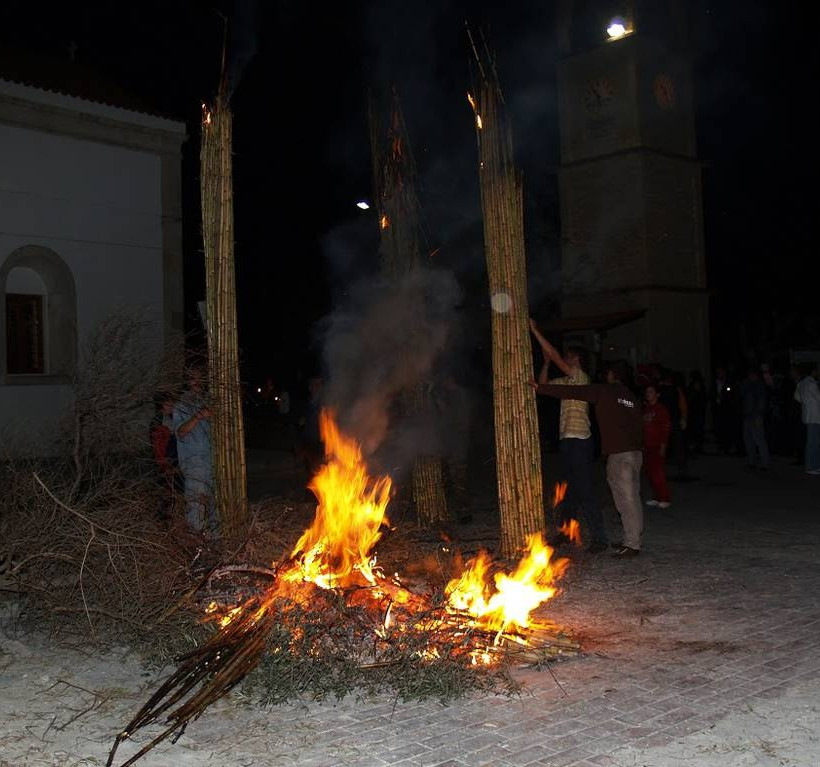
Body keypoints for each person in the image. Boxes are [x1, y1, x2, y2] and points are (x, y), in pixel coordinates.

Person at [534, 359, 644, 558]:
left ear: (612, 375)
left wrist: (540, 387)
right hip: (633, 453)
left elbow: (574, 392)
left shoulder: (606, 391)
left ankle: (633, 544)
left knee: (625, 500)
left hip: (620, 455)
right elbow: (639, 424)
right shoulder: (631, 397)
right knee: (629, 498)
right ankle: (632, 538)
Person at [530, 321, 608, 553]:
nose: (566, 360)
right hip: (567, 440)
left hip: (580, 441)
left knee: (584, 489)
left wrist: (535, 330)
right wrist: (545, 363)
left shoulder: (581, 377)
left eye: (569, 358)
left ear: (577, 361)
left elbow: (555, 356)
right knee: (568, 489)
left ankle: (600, 539)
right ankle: (566, 533)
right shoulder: (567, 382)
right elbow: (542, 386)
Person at [172, 367, 218, 535]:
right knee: (196, 510)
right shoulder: (182, 405)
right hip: (195, 465)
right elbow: (180, 431)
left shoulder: (210, 400)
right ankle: (195, 551)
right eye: (192, 377)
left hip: (214, 462)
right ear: (187, 381)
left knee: (215, 511)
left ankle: (215, 550)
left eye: (200, 377)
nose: (196, 381)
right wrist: (199, 416)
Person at [149, 391, 183, 522]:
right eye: (169, 403)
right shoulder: (160, 422)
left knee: (171, 495)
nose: (172, 405)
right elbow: (159, 449)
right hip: (166, 465)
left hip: (171, 464)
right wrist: (165, 465)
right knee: (167, 496)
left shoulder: (171, 418)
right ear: (162, 405)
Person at [643, 384, 672, 508]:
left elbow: (666, 428)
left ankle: (664, 497)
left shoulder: (661, 409)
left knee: (658, 472)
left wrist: (663, 445)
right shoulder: (646, 408)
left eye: (651, 391)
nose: (648, 394)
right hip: (647, 444)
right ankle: (656, 496)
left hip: (657, 444)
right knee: (650, 472)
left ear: (657, 394)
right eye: (647, 392)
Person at [740, 366, 770, 471]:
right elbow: (742, 396)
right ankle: (751, 461)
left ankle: (765, 463)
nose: (750, 376)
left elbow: (762, 401)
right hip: (748, 415)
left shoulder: (759, 386)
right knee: (748, 439)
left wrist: (760, 415)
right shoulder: (747, 384)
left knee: (759, 439)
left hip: (755, 415)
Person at [794, 364, 820, 474]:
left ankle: (814, 465)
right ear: (813, 372)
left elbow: (797, 397)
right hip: (815, 416)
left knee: (812, 442)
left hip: (807, 415)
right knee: (813, 442)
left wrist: (807, 403)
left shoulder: (801, 383)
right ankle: (811, 467)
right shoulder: (812, 383)